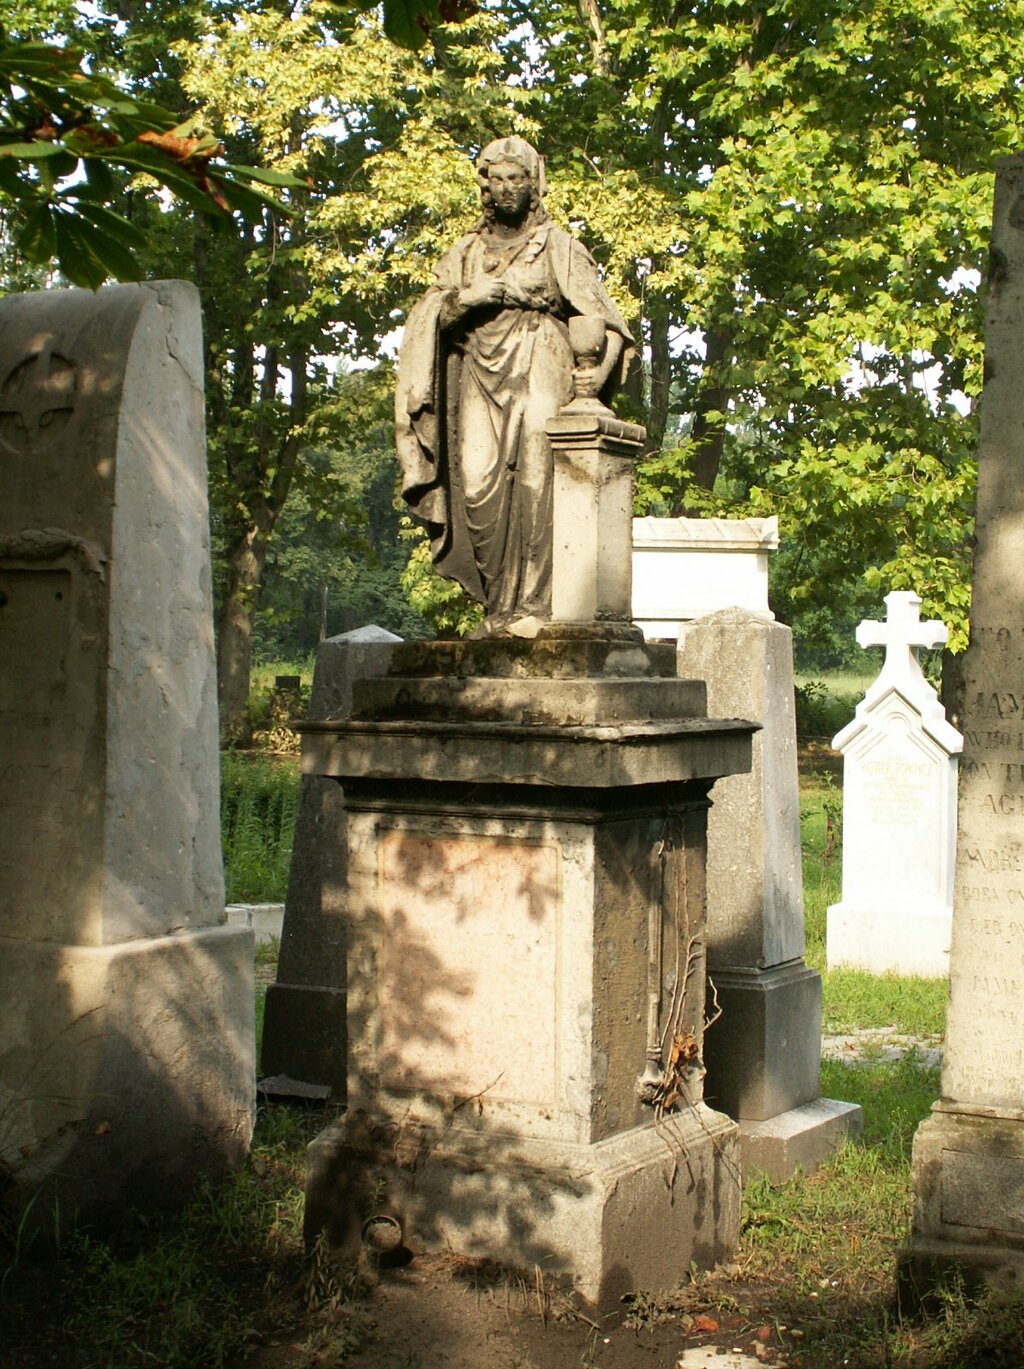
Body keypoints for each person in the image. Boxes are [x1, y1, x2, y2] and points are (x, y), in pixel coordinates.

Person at [395, 136, 633, 633]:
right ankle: (499, 607)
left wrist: (594, 383)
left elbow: (607, 324)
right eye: (498, 179)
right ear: (486, 186)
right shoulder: (464, 253)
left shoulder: (559, 247)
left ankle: (536, 607)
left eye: (516, 179)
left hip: (540, 360)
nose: (506, 188)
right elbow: (430, 319)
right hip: (478, 372)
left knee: (535, 480)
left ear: (532, 184)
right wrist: (470, 297)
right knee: (477, 485)